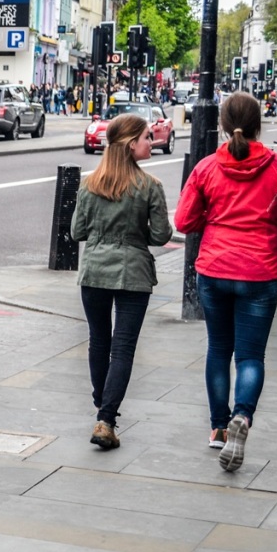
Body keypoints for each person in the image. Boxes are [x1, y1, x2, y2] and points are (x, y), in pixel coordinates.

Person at [174, 93, 277, 472]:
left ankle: (218, 428)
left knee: (219, 348)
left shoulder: (205, 168)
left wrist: (215, 222)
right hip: (260, 271)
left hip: (215, 269)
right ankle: (243, 417)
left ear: (222, 124)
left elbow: (184, 222)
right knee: (250, 356)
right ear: (258, 124)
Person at [70, 113, 171, 450]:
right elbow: (160, 236)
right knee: (123, 348)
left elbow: (77, 232)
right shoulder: (150, 186)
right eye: (146, 137)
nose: (151, 141)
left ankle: (103, 407)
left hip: (95, 272)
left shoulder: (89, 184)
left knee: (99, 341)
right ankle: (106, 417)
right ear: (130, 145)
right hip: (133, 274)